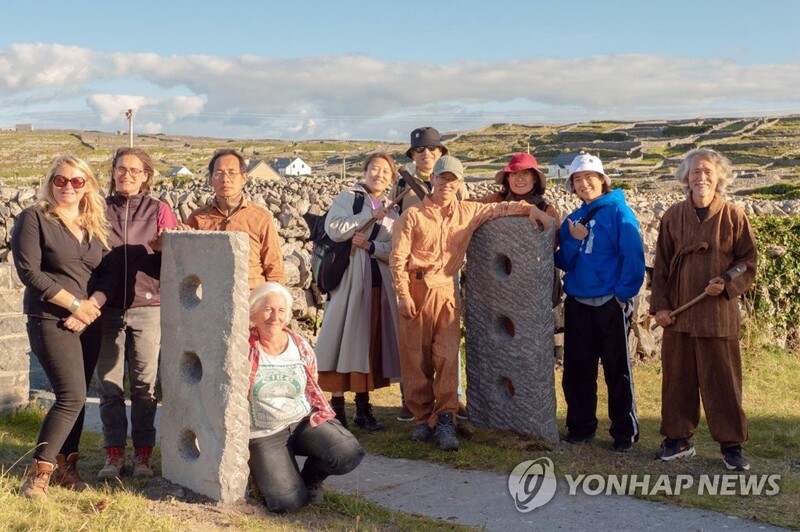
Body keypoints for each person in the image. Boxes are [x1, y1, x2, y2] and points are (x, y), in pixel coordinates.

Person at [390, 155, 553, 451]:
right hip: (416, 287)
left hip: (446, 288)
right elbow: (398, 260)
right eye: (442, 178)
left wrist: (530, 209)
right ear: (433, 180)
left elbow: (501, 207)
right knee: (415, 358)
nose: (447, 184)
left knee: (447, 356)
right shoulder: (411, 216)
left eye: (453, 180)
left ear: (461, 183)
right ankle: (422, 417)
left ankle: (445, 419)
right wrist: (402, 295)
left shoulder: (468, 212)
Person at [11, 155, 115, 499]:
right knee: (70, 396)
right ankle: (37, 477)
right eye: (60, 180)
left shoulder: (95, 222)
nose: (67, 187)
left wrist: (91, 307)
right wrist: (74, 305)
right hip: (50, 318)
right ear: (49, 181)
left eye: (76, 181)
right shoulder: (34, 218)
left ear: (88, 185)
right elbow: (29, 272)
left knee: (79, 398)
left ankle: (66, 469)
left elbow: (108, 273)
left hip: (89, 320)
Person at [650, 148, 756, 471]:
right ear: (686, 178)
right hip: (680, 315)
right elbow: (662, 267)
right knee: (677, 380)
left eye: (708, 172)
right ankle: (677, 440)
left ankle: (731, 446)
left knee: (722, 381)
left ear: (719, 178)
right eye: (695, 172)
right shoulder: (672, 217)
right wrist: (661, 308)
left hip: (717, 317)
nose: (701, 178)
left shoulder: (734, 216)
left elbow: (747, 263)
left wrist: (725, 281)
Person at [95, 147, 179, 481]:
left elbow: (176, 254)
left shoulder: (159, 209)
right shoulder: (99, 209)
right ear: (113, 172)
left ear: (146, 175)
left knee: (144, 386)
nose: (126, 175)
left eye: (134, 170)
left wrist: (165, 247)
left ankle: (144, 454)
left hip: (148, 307)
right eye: (120, 169)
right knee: (109, 386)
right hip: (106, 307)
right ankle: (114, 453)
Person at [554, 153, 645, 453]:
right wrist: (576, 239)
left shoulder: (620, 213)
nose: (584, 184)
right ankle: (580, 427)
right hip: (579, 301)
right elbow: (564, 261)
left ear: (602, 180)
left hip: (610, 302)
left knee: (617, 369)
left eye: (589, 178)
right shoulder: (572, 220)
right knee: (578, 369)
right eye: (577, 180)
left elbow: (632, 256)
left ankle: (623, 432)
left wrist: (622, 295)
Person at [247, 282, 364, 512]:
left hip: (302, 421)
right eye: (268, 309)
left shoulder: (299, 346)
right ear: (254, 313)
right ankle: (276, 473)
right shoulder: (244, 349)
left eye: (281, 311)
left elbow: (311, 385)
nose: (275, 317)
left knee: (349, 451)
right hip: (264, 432)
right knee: (287, 503)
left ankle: (310, 480)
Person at [315, 153, 401, 432]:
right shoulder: (348, 197)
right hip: (351, 282)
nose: (379, 174)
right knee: (343, 339)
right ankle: (337, 409)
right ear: (364, 172)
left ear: (391, 178)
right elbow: (335, 228)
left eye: (385, 172)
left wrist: (372, 247)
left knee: (369, 343)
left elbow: (394, 249)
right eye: (374, 169)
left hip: (378, 284)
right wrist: (368, 216)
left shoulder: (392, 208)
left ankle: (363, 408)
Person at [389, 127, 469, 422]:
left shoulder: (455, 183)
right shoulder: (402, 186)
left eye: (432, 150)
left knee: (447, 346)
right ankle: (414, 404)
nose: (426, 154)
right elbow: (394, 225)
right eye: (420, 150)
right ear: (413, 155)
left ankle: (451, 401)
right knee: (413, 346)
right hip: (414, 274)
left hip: (446, 276)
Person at [187, 149, 285, 288]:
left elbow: (274, 267)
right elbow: (187, 263)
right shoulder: (197, 219)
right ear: (210, 179)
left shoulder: (261, 218)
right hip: (212, 298)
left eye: (232, 173)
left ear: (244, 178)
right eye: (219, 174)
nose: (225, 179)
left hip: (252, 300)